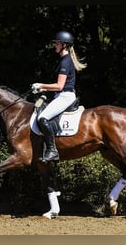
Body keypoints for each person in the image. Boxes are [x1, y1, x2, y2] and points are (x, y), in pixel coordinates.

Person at [31, 30, 87, 163]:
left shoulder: (65, 62)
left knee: (43, 117)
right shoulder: (64, 60)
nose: (55, 45)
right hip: (61, 96)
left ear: (64, 45)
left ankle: (52, 150)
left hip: (65, 96)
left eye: (57, 43)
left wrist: (41, 86)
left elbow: (60, 86)